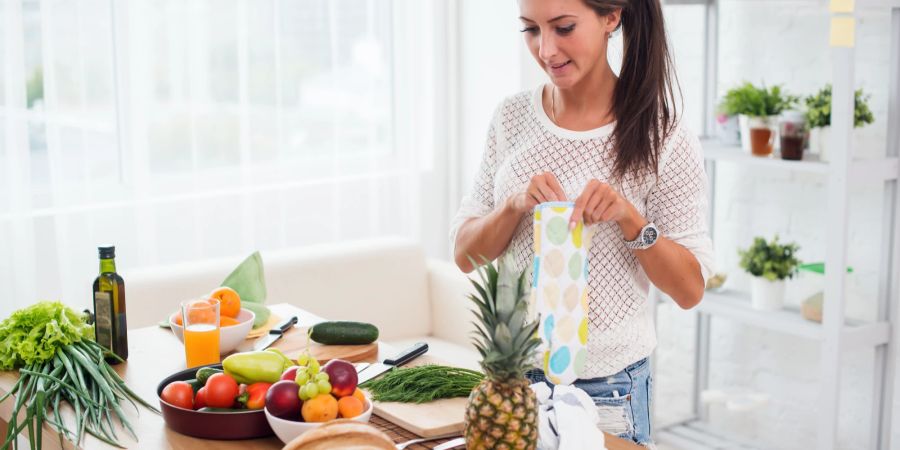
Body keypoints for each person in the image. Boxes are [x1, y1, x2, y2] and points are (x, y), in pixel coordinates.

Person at [449, 0, 715, 447]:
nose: (546, 50)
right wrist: (512, 206)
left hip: (608, 392)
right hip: (512, 384)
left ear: (612, 17)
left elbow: (690, 289)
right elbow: (464, 254)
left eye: (564, 27)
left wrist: (630, 219)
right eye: (530, 30)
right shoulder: (511, 118)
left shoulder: (663, 135)